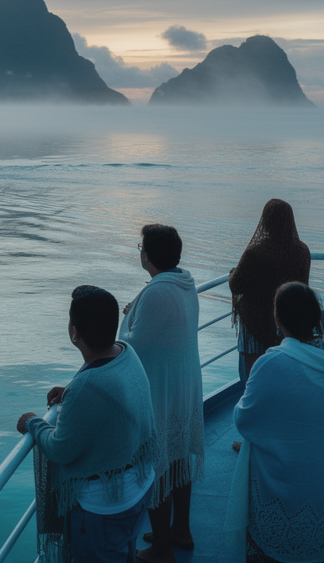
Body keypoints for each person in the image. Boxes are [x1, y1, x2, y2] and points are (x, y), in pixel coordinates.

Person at [18, 285, 160, 563]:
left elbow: (60, 450)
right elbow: (108, 389)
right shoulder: (126, 353)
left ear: (74, 332)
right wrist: (71, 390)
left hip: (105, 507)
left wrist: (33, 423)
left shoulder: (87, 386)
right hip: (140, 486)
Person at [227, 282, 324, 563]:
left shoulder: (273, 364)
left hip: (283, 490)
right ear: (317, 317)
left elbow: (245, 418)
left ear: (278, 319)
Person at [118, 224, 204, 562]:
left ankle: (162, 549)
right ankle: (179, 530)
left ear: (148, 254)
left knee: (157, 463)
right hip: (184, 382)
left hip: (162, 388)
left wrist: (128, 319)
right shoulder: (184, 282)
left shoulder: (157, 292)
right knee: (179, 457)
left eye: (141, 245)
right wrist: (137, 315)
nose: (140, 250)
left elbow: (134, 343)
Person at [229, 199, 311, 381]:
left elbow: (236, 286)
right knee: (283, 373)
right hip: (288, 323)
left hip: (255, 321)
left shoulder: (256, 253)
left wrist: (233, 273)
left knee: (253, 376)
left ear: (265, 221)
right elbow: (303, 285)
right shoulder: (302, 251)